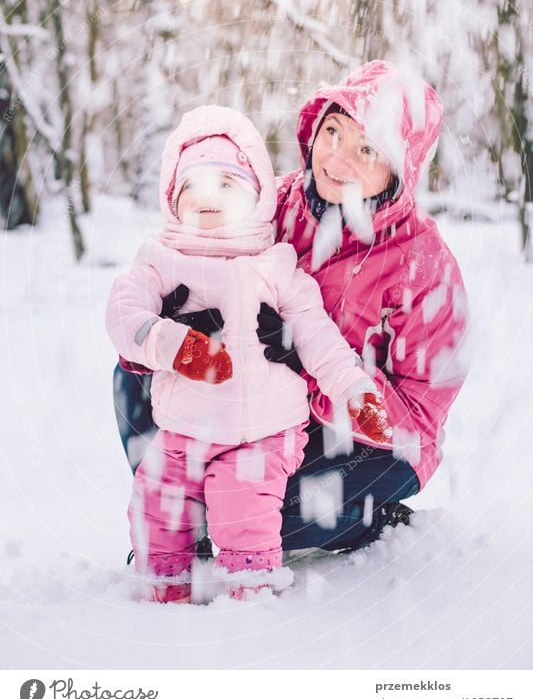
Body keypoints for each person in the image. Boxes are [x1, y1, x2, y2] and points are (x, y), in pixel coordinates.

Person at [112, 59, 469, 560]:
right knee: (132, 379)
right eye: (334, 133)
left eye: (367, 149)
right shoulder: (272, 202)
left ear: (400, 166)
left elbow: (418, 419)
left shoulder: (424, 268)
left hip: (367, 440)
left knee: (264, 517)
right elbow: (184, 255)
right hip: (253, 399)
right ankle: (178, 517)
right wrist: (170, 326)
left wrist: (311, 370)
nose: (337, 159)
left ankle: (361, 521)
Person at [106, 105, 392, 603]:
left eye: (225, 184)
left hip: (260, 434)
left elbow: (316, 334)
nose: (206, 198)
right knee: (156, 507)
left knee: (243, 512)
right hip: (181, 429)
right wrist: (168, 342)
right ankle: (162, 591)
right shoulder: (159, 260)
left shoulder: (275, 265)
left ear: (257, 197)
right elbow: (123, 313)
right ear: (172, 200)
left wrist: (351, 389)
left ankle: (249, 594)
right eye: (190, 187)